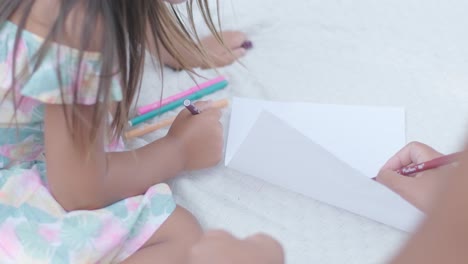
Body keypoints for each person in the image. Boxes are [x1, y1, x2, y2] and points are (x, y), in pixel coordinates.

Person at [0, 0, 248, 263]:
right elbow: (79, 191)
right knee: (181, 236)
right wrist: (178, 150)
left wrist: (181, 51)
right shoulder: (78, 23)